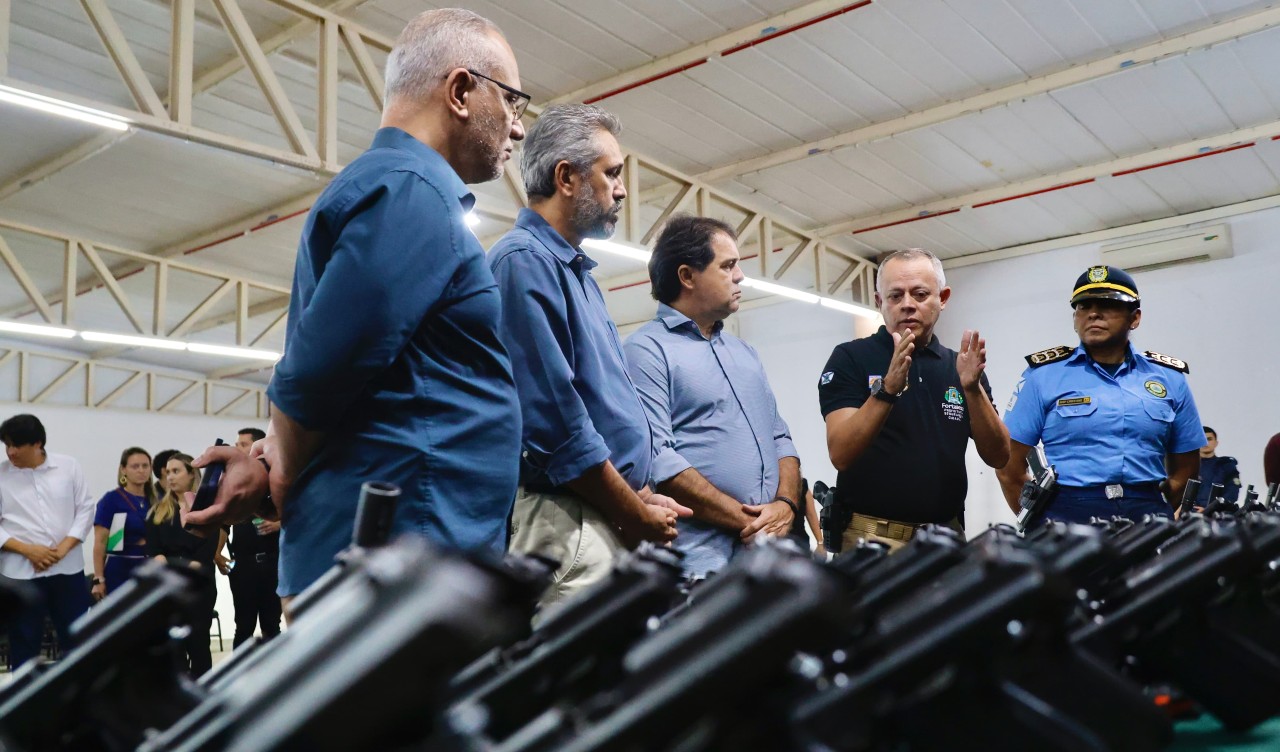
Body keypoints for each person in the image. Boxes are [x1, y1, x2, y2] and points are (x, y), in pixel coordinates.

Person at [186, 8, 527, 605]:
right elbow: (320, 373)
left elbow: (363, 383)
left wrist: (267, 460)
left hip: (405, 554)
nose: (518, 129)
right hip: (400, 567)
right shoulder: (411, 192)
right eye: (513, 101)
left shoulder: (395, 188)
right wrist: (284, 471)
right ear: (461, 90)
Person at [489, 103, 690, 615]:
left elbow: (599, 410)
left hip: (599, 514)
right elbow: (556, 427)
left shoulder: (575, 272)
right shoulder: (524, 263)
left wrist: (638, 497)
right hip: (570, 525)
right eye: (612, 173)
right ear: (567, 178)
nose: (621, 189)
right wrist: (634, 512)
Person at [624, 214, 800, 577]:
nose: (740, 276)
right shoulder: (646, 350)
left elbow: (781, 438)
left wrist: (785, 504)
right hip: (702, 565)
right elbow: (660, 461)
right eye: (729, 265)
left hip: (767, 558)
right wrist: (752, 523)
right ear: (687, 276)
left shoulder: (745, 353)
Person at [818, 249, 1009, 551]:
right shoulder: (851, 358)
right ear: (880, 302)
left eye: (920, 294)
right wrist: (887, 390)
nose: (907, 305)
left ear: (942, 298)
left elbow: (999, 456)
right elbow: (841, 453)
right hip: (871, 541)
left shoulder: (958, 366)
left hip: (945, 541)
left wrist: (972, 389)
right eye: (895, 296)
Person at [998, 265, 1204, 523]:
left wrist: (1154, 508)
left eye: (1108, 304)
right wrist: (1037, 521)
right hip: (1066, 512)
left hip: (1147, 511)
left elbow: (1186, 468)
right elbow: (1009, 466)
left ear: (1135, 318)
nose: (1093, 313)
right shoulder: (1042, 375)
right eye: (1083, 306)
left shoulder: (1170, 378)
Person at [0, 414, 94, 667]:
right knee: (23, 643)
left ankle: (77, 701)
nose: (10, 452)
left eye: (17, 445)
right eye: (6, 445)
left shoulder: (68, 466)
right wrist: (29, 551)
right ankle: (24, 703)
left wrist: (61, 550)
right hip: (20, 575)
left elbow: (85, 509)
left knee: (76, 639)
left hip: (68, 570)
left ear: (38, 443)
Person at [147, 453, 216, 677]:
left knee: (198, 645)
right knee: (173, 647)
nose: (170, 477)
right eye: (168, 472)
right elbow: (155, 550)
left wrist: (183, 575)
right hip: (169, 586)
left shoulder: (207, 510)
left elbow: (204, 554)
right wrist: (171, 576)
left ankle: (204, 692)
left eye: (176, 471)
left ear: (191, 474)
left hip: (198, 586)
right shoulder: (158, 511)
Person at [225, 427, 280, 647]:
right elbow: (223, 522)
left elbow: (299, 514)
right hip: (243, 566)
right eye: (236, 444)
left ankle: (275, 678)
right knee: (243, 626)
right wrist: (218, 555)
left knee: (271, 625)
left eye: (243, 444)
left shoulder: (277, 476)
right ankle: (237, 679)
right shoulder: (233, 481)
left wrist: (278, 524)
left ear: (258, 447)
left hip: (273, 562)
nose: (237, 448)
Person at [90, 447, 155, 601]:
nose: (141, 470)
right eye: (135, 466)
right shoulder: (112, 500)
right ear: (123, 470)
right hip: (121, 568)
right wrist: (99, 578)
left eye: (145, 466)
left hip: (151, 568)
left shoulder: (156, 499)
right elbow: (100, 542)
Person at [1194, 426, 1240, 506]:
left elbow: (1232, 493)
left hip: (1217, 514)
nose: (1205, 442)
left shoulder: (1227, 465)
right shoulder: (1186, 467)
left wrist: (1210, 509)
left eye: (1209, 439)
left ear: (1216, 443)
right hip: (1189, 514)